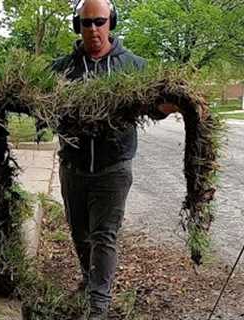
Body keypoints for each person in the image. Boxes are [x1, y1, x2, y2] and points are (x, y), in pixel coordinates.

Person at [51, 0, 178, 319]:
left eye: (100, 21)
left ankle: (99, 305)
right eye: (86, 23)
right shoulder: (62, 69)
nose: (93, 29)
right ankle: (89, 279)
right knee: (79, 233)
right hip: (73, 166)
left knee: (104, 235)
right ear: (76, 26)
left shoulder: (134, 66)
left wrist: (171, 104)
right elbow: (39, 105)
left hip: (113, 168)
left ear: (112, 22)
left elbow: (153, 108)